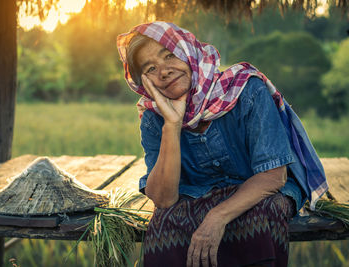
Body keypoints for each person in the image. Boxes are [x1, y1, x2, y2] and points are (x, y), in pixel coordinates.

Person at [117, 22, 327, 267]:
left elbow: (273, 177)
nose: (164, 71)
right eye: (151, 68)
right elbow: (163, 199)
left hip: (259, 191)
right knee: (164, 223)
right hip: (198, 196)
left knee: (261, 215)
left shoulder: (245, 90)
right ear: (144, 81)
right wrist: (172, 125)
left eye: (170, 55)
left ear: (189, 54)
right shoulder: (154, 117)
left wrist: (217, 217)